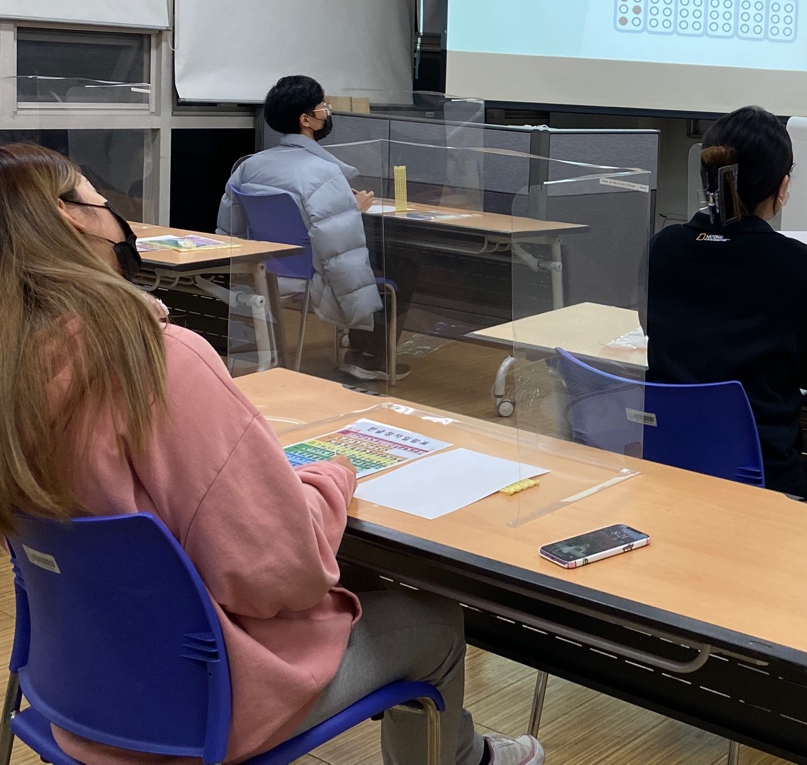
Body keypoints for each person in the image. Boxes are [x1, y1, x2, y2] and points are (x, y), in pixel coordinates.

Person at [0, 143, 543, 765]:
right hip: (197, 710)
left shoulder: (15, 365)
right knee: (434, 621)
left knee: (359, 584)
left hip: (78, 691)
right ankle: (472, 758)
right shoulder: (159, 361)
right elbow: (275, 576)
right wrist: (330, 480)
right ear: (71, 219)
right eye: (103, 202)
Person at [644, 106, 807, 502]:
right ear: (782, 186)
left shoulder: (663, 247)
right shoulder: (797, 265)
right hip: (762, 479)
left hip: (669, 468)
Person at [216, 75, 415, 381]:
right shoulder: (324, 172)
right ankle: (368, 358)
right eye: (323, 105)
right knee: (401, 269)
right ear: (306, 119)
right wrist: (352, 209)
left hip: (263, 272)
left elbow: (231, 230)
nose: (328, 110)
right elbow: (339, 252)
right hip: (309, 276)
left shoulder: (248, 166)